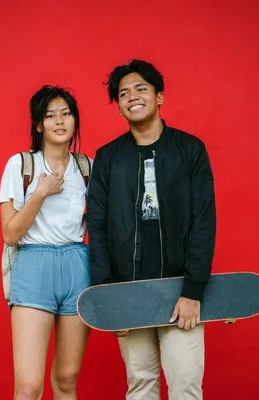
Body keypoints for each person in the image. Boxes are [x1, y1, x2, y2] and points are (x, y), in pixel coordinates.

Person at [87, 59, 216, 399]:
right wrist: (109, 299)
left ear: (159, 97)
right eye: (124, 93)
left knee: (186, 385)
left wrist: (193, 290)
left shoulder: (191, 150)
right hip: (129, 294)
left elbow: (204, 221)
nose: (132, 97)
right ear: (119, 108)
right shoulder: (107, 158)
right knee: (141, 385)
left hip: (181, 292)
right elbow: (97, 230)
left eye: (141, 89)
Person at [0, 85, 92, 400]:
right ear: (39, 124)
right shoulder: (21, 165)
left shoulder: (87, 167)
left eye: (66, 114)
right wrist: (39, 193)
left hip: (78, 267)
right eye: (50, 116)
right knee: (28, 387)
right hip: (34, 266)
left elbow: (99, 225)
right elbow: (10, 233)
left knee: (67, 380)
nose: (60, 121)